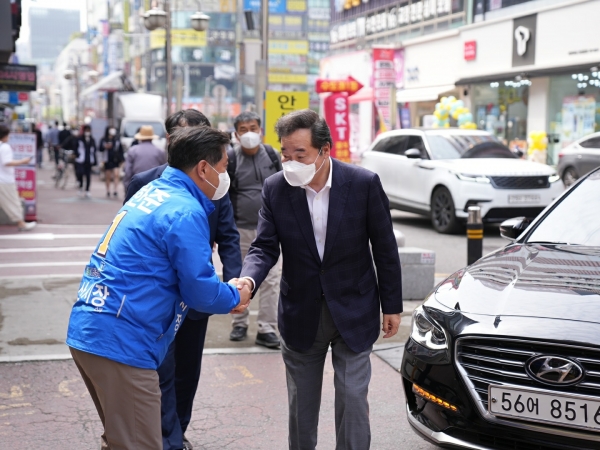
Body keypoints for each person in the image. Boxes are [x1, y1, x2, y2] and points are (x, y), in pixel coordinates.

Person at [66, 125, 251, 450]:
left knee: (121, 440)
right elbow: (201, 292)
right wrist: (236, 294)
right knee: (140, 443)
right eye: (223, 167)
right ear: (203, 168)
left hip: (93, 328)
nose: (226, 176)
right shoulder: (184, 210)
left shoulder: (151, 192)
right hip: (123, 341)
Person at [235, 109, 403, 449]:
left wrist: (392, 305)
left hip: (354, 308)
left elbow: (384, 247)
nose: (290, 161)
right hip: (301, 310)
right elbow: (264, 247)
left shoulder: (362, 183)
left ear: (324, 151)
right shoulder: (276, 188)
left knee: (353, 399)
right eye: (285, 153)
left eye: (300, 154)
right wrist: (247, 281)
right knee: (302, 406)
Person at [125, 109, 242, 450]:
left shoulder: (215, 186)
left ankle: (178, 431)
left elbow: (229, 238)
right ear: (170, 141)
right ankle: (166, 438)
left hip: (197, 295)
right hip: (159, 301)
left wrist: (234, 285)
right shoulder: (145, 183)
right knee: (161, 372)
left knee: (187, 372)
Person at [228, 111, 283, 348]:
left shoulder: (272, 155)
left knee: (272, 279)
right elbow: (223, 196)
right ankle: (239, 323)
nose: (249, 133)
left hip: (271, 231)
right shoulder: (230, 158)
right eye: (243, 129)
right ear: (236, 134)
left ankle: (267, 328)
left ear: (260, 130)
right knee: (241, 278)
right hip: (240, 229)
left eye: (253, 128)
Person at [0, 125, 36, 231]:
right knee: (13, 202)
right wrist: (23, 161)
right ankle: (21, 223)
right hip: (5, 180)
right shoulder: (5, 147)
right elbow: (7, 162)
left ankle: (21, 223)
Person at [123, 125, 167, 189]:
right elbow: (164, 170)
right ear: (152, 137)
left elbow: (128, 171)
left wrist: (127, 186)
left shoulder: (133, 150)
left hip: (137, 185)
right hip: (154, 186)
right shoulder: (160, 152)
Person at [99, 126, 124, 198]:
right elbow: (100, 148)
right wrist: (105, 147)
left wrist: (122, 159)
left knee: (116, 174)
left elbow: (120, 150)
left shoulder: (117, 140)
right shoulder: (104, 139)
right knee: (108, 176)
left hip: (116, 160)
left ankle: (115, 190)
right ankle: (108, 190)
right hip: (107, 160)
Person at [74, 124, 97, 198]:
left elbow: (94, 150)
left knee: (88, 175)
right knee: (80, 173)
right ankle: (81, 187)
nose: (88, 132)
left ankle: (87, 190)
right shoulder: (79, 139)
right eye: (86, 130)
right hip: (81, 160)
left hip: (89, 160)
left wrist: (94, 160)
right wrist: (77, 155)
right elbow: (75, 148)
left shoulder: (92, 140)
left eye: (89, 131)